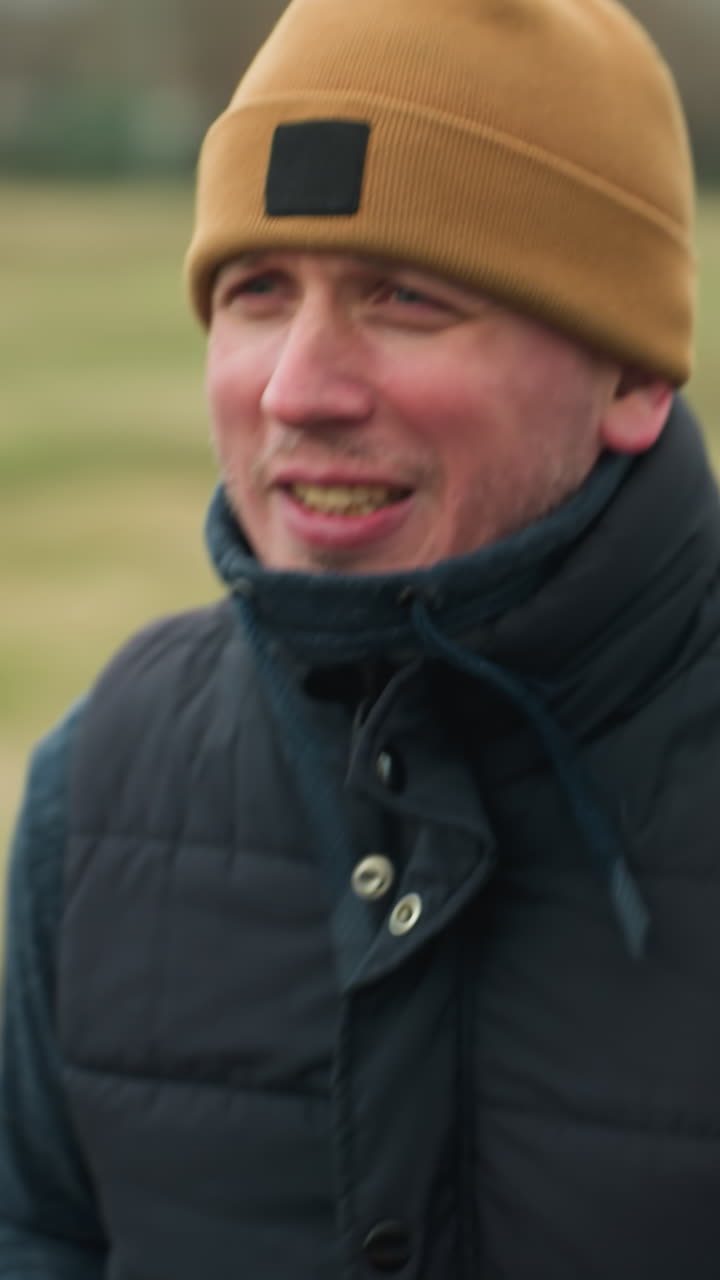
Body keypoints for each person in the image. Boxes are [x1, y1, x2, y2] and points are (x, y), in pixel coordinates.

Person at [0, 0, 715, 1275]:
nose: (296, 388)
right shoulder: (98, 786)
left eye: (405, 296)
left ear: (632, 375)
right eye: (257, 292)